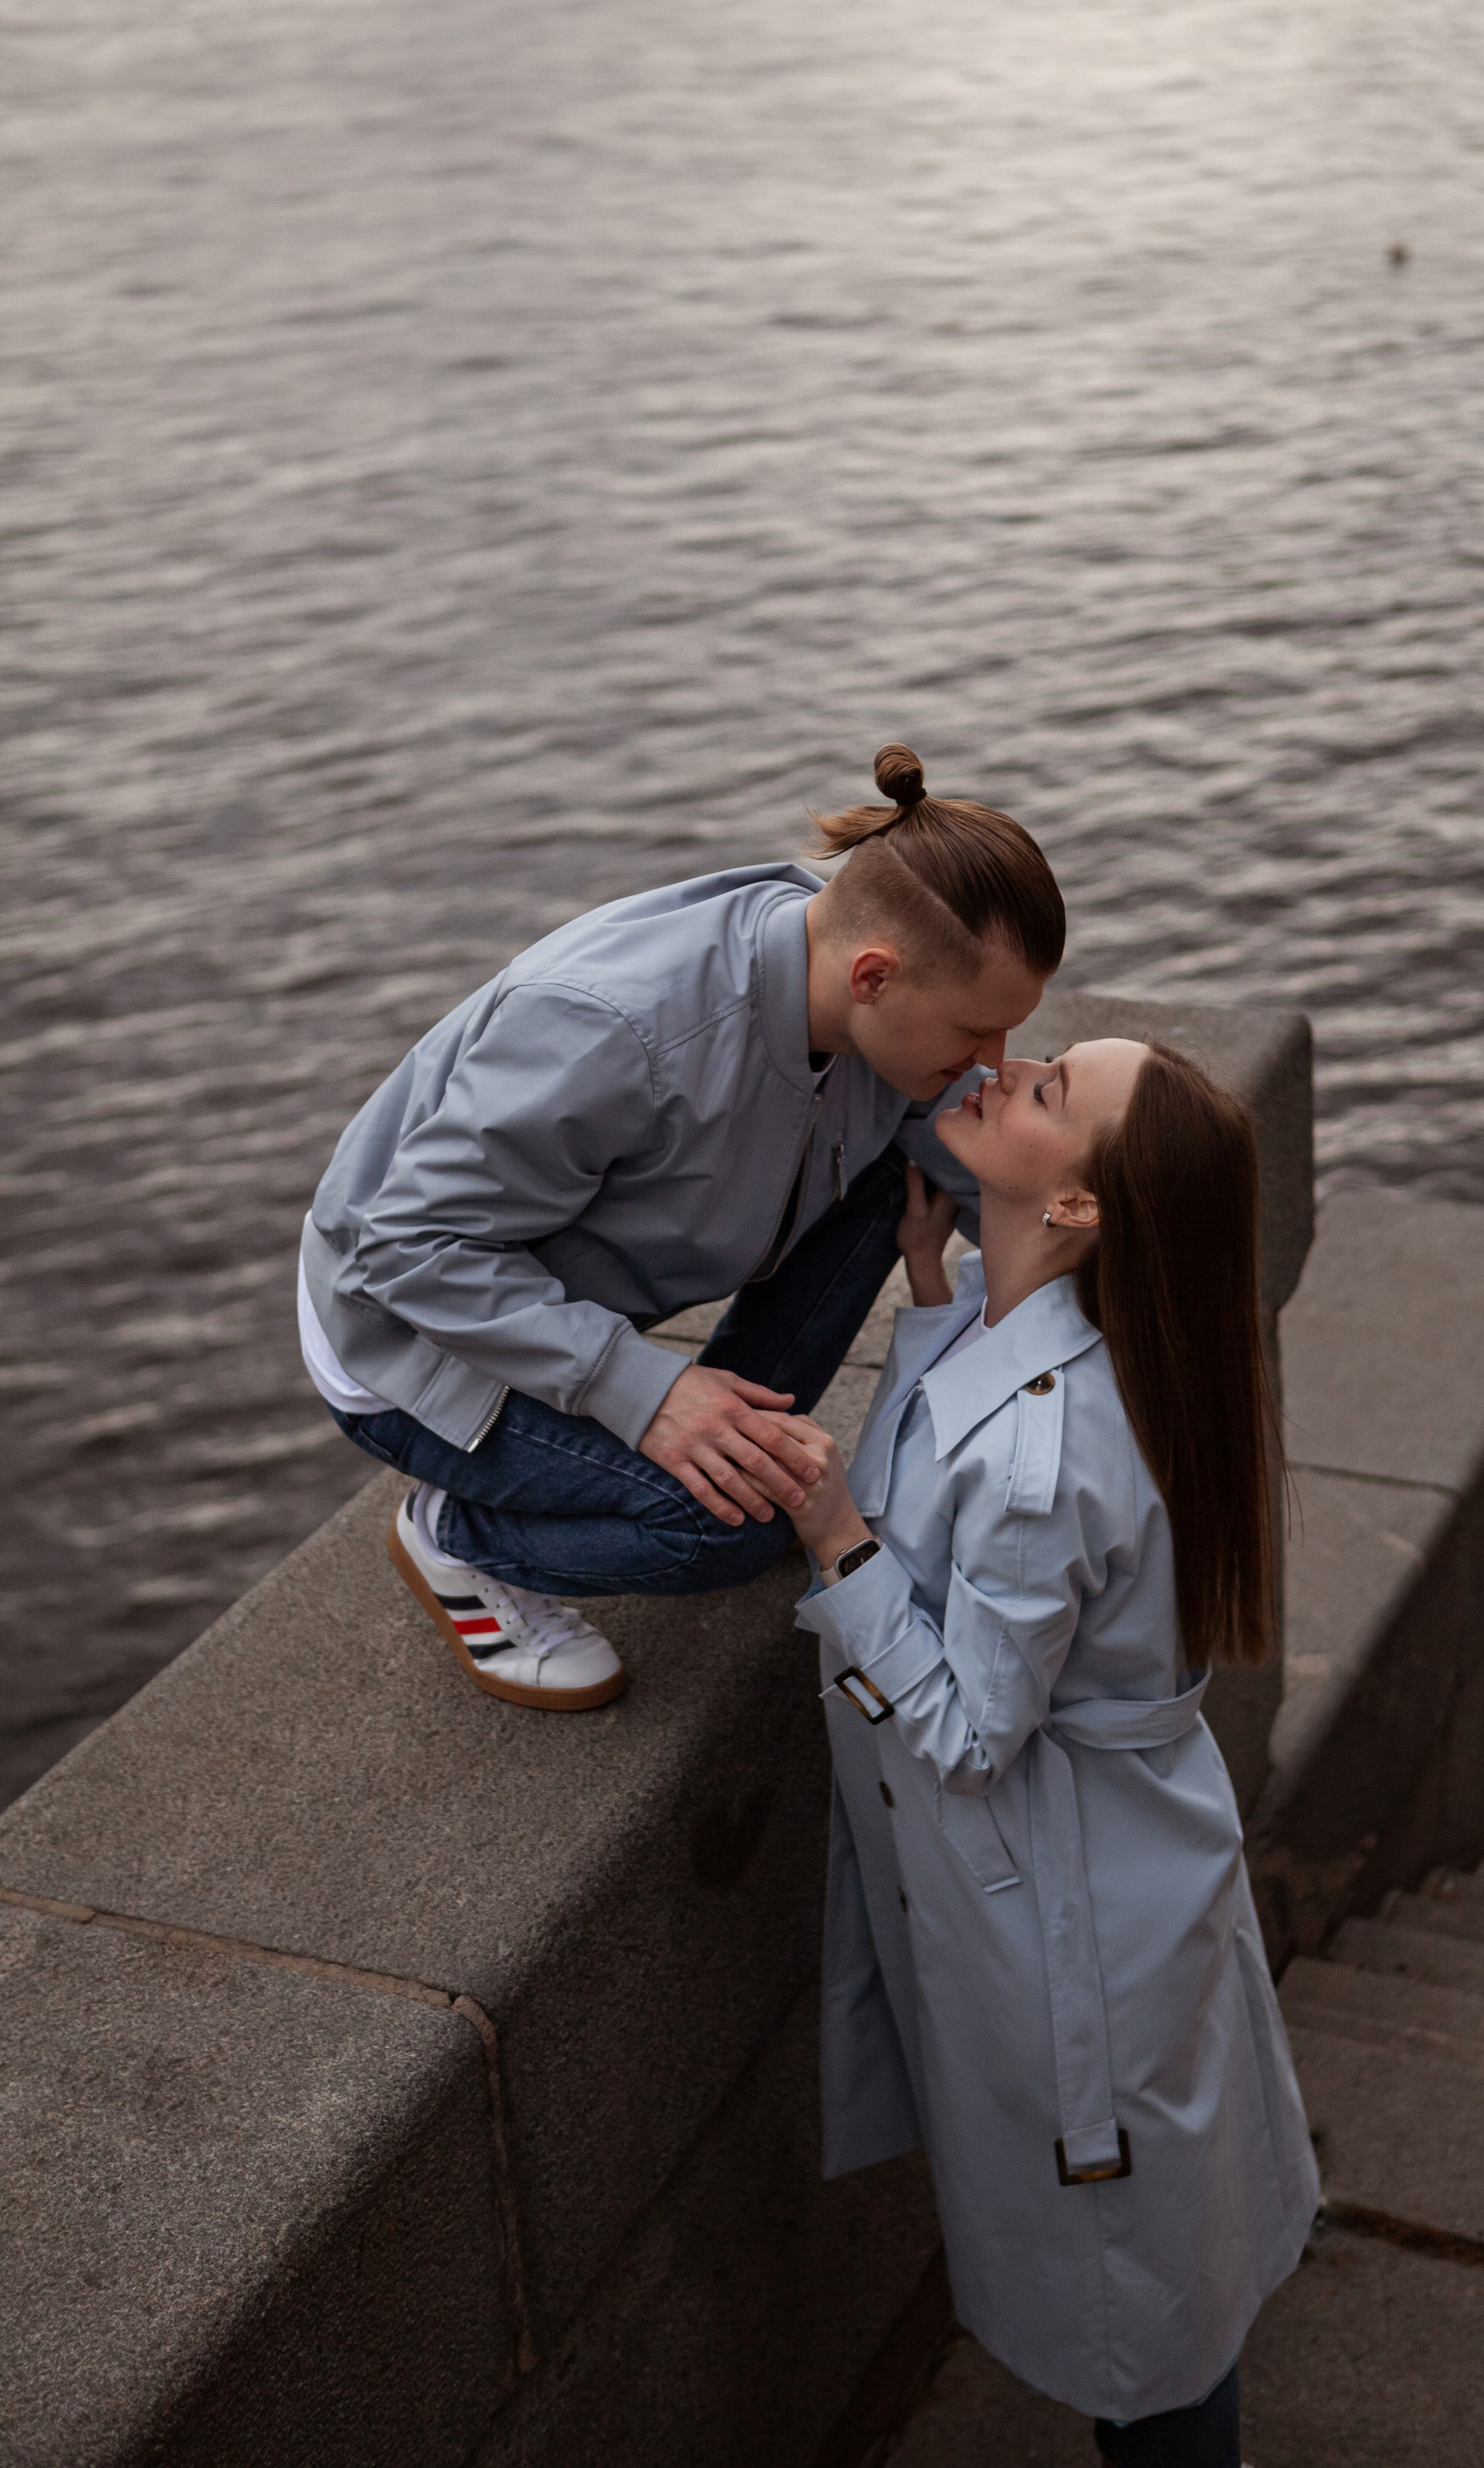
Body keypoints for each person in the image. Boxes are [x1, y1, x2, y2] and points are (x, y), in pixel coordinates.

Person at [773, 1038, 1319, 2466]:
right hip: (1133, 1868)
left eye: (1045, 1092)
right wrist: (937, 1287)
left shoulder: (1043, 1453)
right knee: (1164, 2262)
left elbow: (962, 1730)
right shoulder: (1097, 1356)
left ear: (1075, 1209)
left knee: (1138, 2319)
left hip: (1072, 1907)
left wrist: (836, 1541)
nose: (1001, 1073)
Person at [296, 745, 1062, 1710]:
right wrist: (642, 1393)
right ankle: (460, 1541)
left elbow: (999, 1169)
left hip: (549, 1284)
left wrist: (1106, 1258)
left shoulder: (850, 976)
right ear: (874, 977)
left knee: (896, 1171)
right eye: (973, 1034)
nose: (992, 1064)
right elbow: (402, 1248)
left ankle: (730, 1441)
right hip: (403, 1334)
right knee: (727, 1530)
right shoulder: (616, 1030)